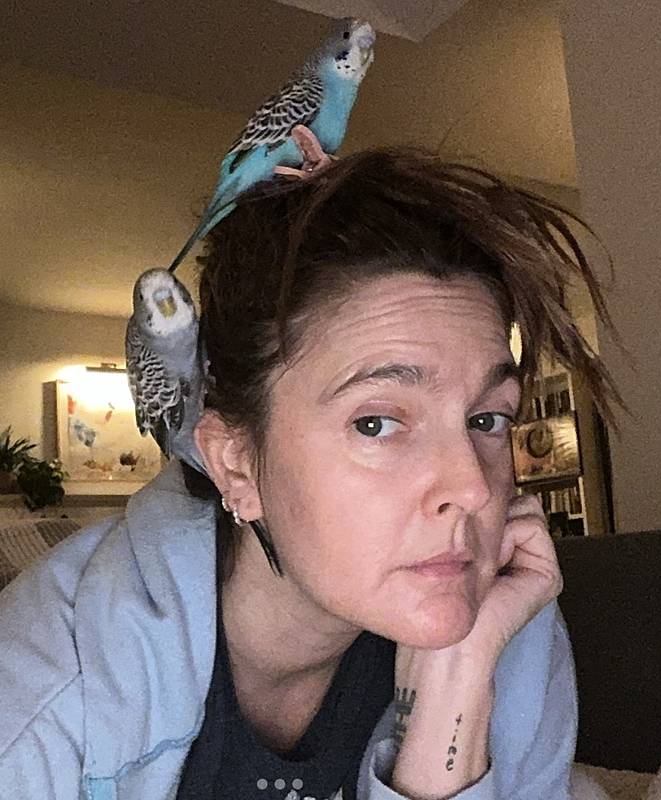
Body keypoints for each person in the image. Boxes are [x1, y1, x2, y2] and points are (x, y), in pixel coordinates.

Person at [0, 133, 617, 799]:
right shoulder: (43, 702)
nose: (472, 487)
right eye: (376, 423)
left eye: (487, 419)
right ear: (237, 467)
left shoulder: (501, 623)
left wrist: (453, 698)